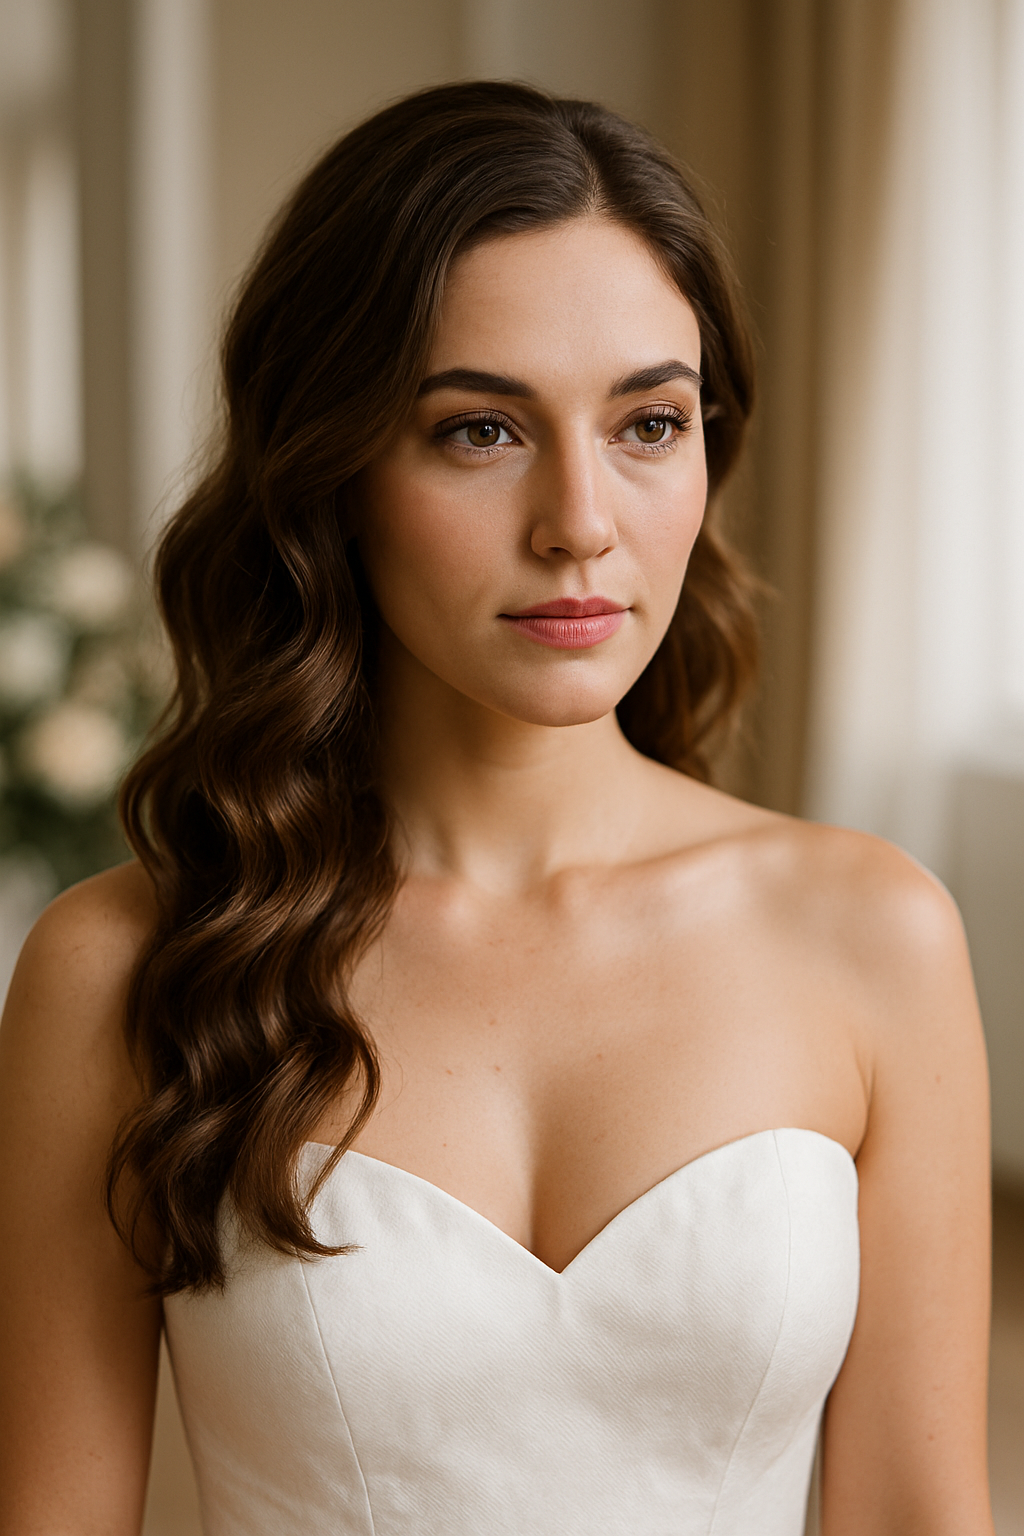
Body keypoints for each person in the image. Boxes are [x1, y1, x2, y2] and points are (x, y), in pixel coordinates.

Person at [0, 80, 994, 1536]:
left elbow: (919, 1514)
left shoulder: (872, 936)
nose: (581, 521)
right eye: (481, 431)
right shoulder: (124, 970)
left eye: (650, 421)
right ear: (326, 473)